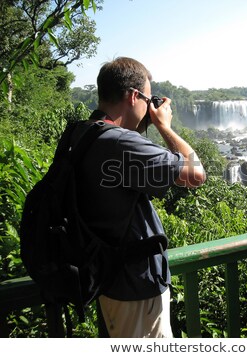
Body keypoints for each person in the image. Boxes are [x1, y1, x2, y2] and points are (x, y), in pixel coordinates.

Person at [73, 57, 206, 338]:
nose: (150, 108)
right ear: (134, 96)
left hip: (109, 279)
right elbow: (196, 175)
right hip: (135, 288)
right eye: (148, 99)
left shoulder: (84, 132)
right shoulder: (120, 143)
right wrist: (164, 127)